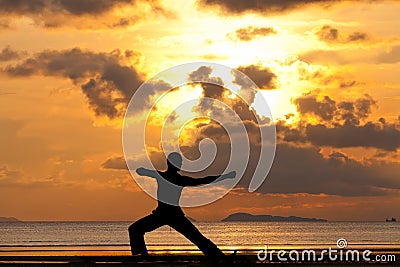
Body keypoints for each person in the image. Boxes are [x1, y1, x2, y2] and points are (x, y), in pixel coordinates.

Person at [128, 152, 236, 260]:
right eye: (179, 162)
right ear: (171, 163)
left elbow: (203, 180)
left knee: (197, 237)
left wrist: (225, 176)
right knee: (197, 237)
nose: (181, 164)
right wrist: (225, 176)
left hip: (170, 215)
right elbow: (204, 180)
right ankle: (142, 256)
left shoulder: (164, 176)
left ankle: (141, 255)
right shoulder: (170, 177)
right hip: (167, 215)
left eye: (181, 162)